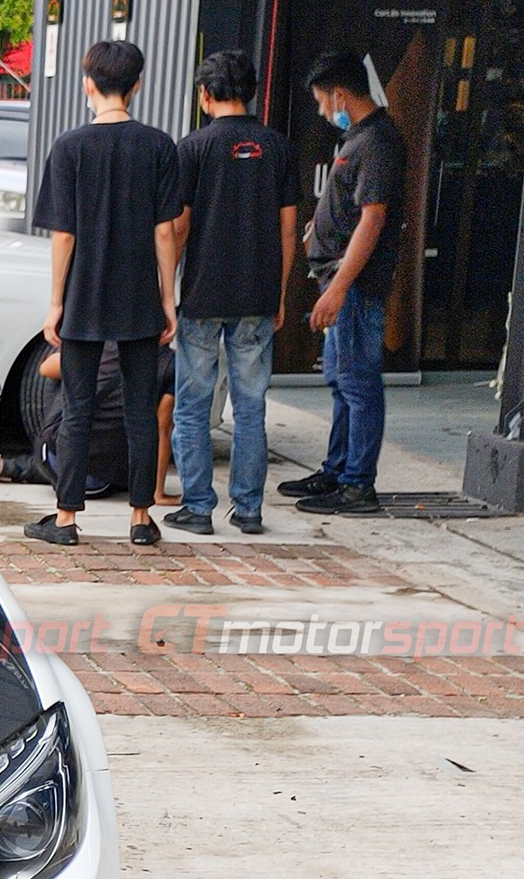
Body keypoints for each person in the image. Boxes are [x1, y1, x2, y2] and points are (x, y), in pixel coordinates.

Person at [27, 39, 181, 547]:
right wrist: (166, 297)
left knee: (77, 407)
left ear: (87, 83)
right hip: (139, 295)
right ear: (137, 86)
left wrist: (55, 301)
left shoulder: (68, 147)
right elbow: (166, 230)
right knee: (141, 409)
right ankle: (140, 518)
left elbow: (64, 235)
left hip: (84, 298)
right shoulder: (158, 146)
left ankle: (67, 519)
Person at [167, 49, 300, 536]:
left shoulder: (193, 148)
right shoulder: (279, 147)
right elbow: (289, 231)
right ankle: (248, 510)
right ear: (251, 92)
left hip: (202, 296)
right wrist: (280, 294)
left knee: (192, 405)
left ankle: (198, 507)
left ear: (205, 95)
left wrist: (168, 288)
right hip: (257, 297)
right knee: (250, 406)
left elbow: (179, 229)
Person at [277, 51, 405, 515]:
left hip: (355, 286)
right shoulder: (358, 138)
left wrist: (339, 287)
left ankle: (357, 484)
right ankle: (336, 470)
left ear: (339, 93)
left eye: (320, 100)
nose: (320, 110)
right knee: (340, 381)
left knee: (359, 383)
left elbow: (373, 219)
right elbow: (351, 207)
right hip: (337, 277)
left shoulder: (378, 142)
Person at [0, 344, 174, 497]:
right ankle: (22, 466)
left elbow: (45, 369)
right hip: (101, 481)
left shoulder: (100, 345)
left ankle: (28, 464)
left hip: (60, 461)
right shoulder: (170, 365)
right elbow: (162, 431)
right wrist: (156, 493)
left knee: (65, 375)